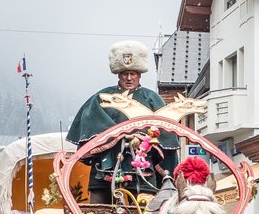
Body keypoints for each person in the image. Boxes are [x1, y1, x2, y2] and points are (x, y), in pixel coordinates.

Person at [66, 40, 179, 203]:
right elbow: (92, 121)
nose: (129, 78)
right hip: (106, 166)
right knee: (99, 213)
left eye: (133, 73)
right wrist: (119, 135)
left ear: (140, 74)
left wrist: (141, 138)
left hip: (142, 165)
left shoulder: (152, 98)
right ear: (118, 74)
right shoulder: (103, 97)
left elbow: (165, 128)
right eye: (125, 74)